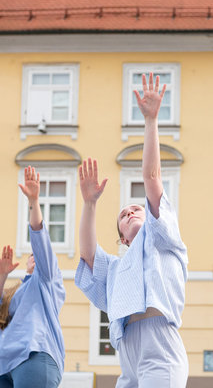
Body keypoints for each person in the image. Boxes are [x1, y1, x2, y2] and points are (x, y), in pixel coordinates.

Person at [75, 73, 188, 388]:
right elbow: (87, 254)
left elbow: (152, 179)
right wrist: (89, 203)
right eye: (123, 215)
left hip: (159, 343)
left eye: (136, 208)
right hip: (128, 350)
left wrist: (151, 120)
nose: (129, 210)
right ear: (122, 239)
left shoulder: (163, 237)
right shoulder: (117, 268)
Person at [0, 166, 65, 387]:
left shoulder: (47, 280)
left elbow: (39, 236)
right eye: (32, 255)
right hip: (4, 364)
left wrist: (34, 202)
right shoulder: (15, 291)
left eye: (38, 254)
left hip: (35, 354)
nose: (35, 257)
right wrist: (2, 275)